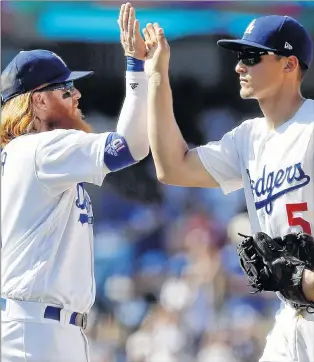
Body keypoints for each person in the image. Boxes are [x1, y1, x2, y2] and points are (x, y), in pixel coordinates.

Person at [145, 15, 314, 362]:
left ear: (290, 64)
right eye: (239, 57)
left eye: (252, 57)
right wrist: (157, 76)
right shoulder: (247, 139)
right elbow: (172, 167)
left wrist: (305, 280)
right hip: (289, 319)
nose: (239, 66)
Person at [1, 3, 155, 362]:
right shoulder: (43, 147)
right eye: (66, 88)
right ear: (38, 101)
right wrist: (136, 67)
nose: (77, 96)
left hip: (37, 327)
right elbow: (130, 147)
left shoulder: (24, 155)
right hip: (37, 333)